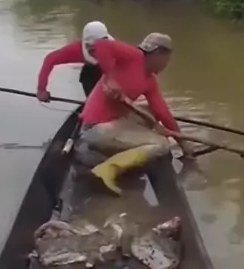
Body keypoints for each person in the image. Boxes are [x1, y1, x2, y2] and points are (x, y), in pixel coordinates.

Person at [75, 32, 194, 194]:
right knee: (161, 145)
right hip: (95, 128)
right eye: (167, 59)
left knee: (150, 111)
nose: (166, 65)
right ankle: (108, 169)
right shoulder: (134, 56)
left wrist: (183, 144)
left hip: (112, 123)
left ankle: (119, 151)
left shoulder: (149, 81)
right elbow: (100, 45)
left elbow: (163, 113)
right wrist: (110, 79)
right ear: (159, 53)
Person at [36, 21, 113, 102]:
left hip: (112, 72)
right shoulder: (77, 50)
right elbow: (50, 59)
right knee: (89, 77)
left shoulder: (116, 49)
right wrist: (41, 89)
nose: (94, 52)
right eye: (90, 47)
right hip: (91, 74)